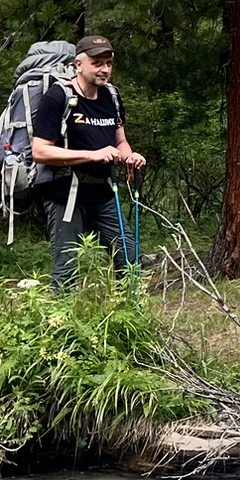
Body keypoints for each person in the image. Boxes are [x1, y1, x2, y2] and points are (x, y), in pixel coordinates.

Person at [30, 34, 146, 289]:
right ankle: (61, 314)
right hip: (66, 194)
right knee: (67, 268)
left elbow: (120, 141)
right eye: (97, 63)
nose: (105, 69)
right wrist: (92, 155)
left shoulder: (111, 97)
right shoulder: (58, 97)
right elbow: (40, 151)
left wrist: (129, 157)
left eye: (108, 63)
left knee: (130, 258)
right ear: (79, 64)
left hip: (103, 192)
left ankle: (130, 310)